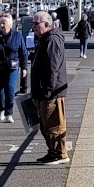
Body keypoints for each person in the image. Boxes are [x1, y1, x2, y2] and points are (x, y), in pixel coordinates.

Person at [29, 9, 69, 163]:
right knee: (45, 125)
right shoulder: (44, 39)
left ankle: (60, 154)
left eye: (35, 23)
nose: (32, 26)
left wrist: (48, 89)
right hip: (42, 90)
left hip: (51, 92)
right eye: (32, 23)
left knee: (54, 125)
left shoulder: (52, 40)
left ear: (46, 24)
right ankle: (52, 152)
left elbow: (53, 66)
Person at [0, 11, 28, 123]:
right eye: (0, 23)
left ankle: (9, 113)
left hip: (11, 67)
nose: (2, 25)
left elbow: (23, 53)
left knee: (10, 88)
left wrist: (24, 68)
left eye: (4, 23)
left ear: (10, 24)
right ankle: (1, 109)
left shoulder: (17, 36)